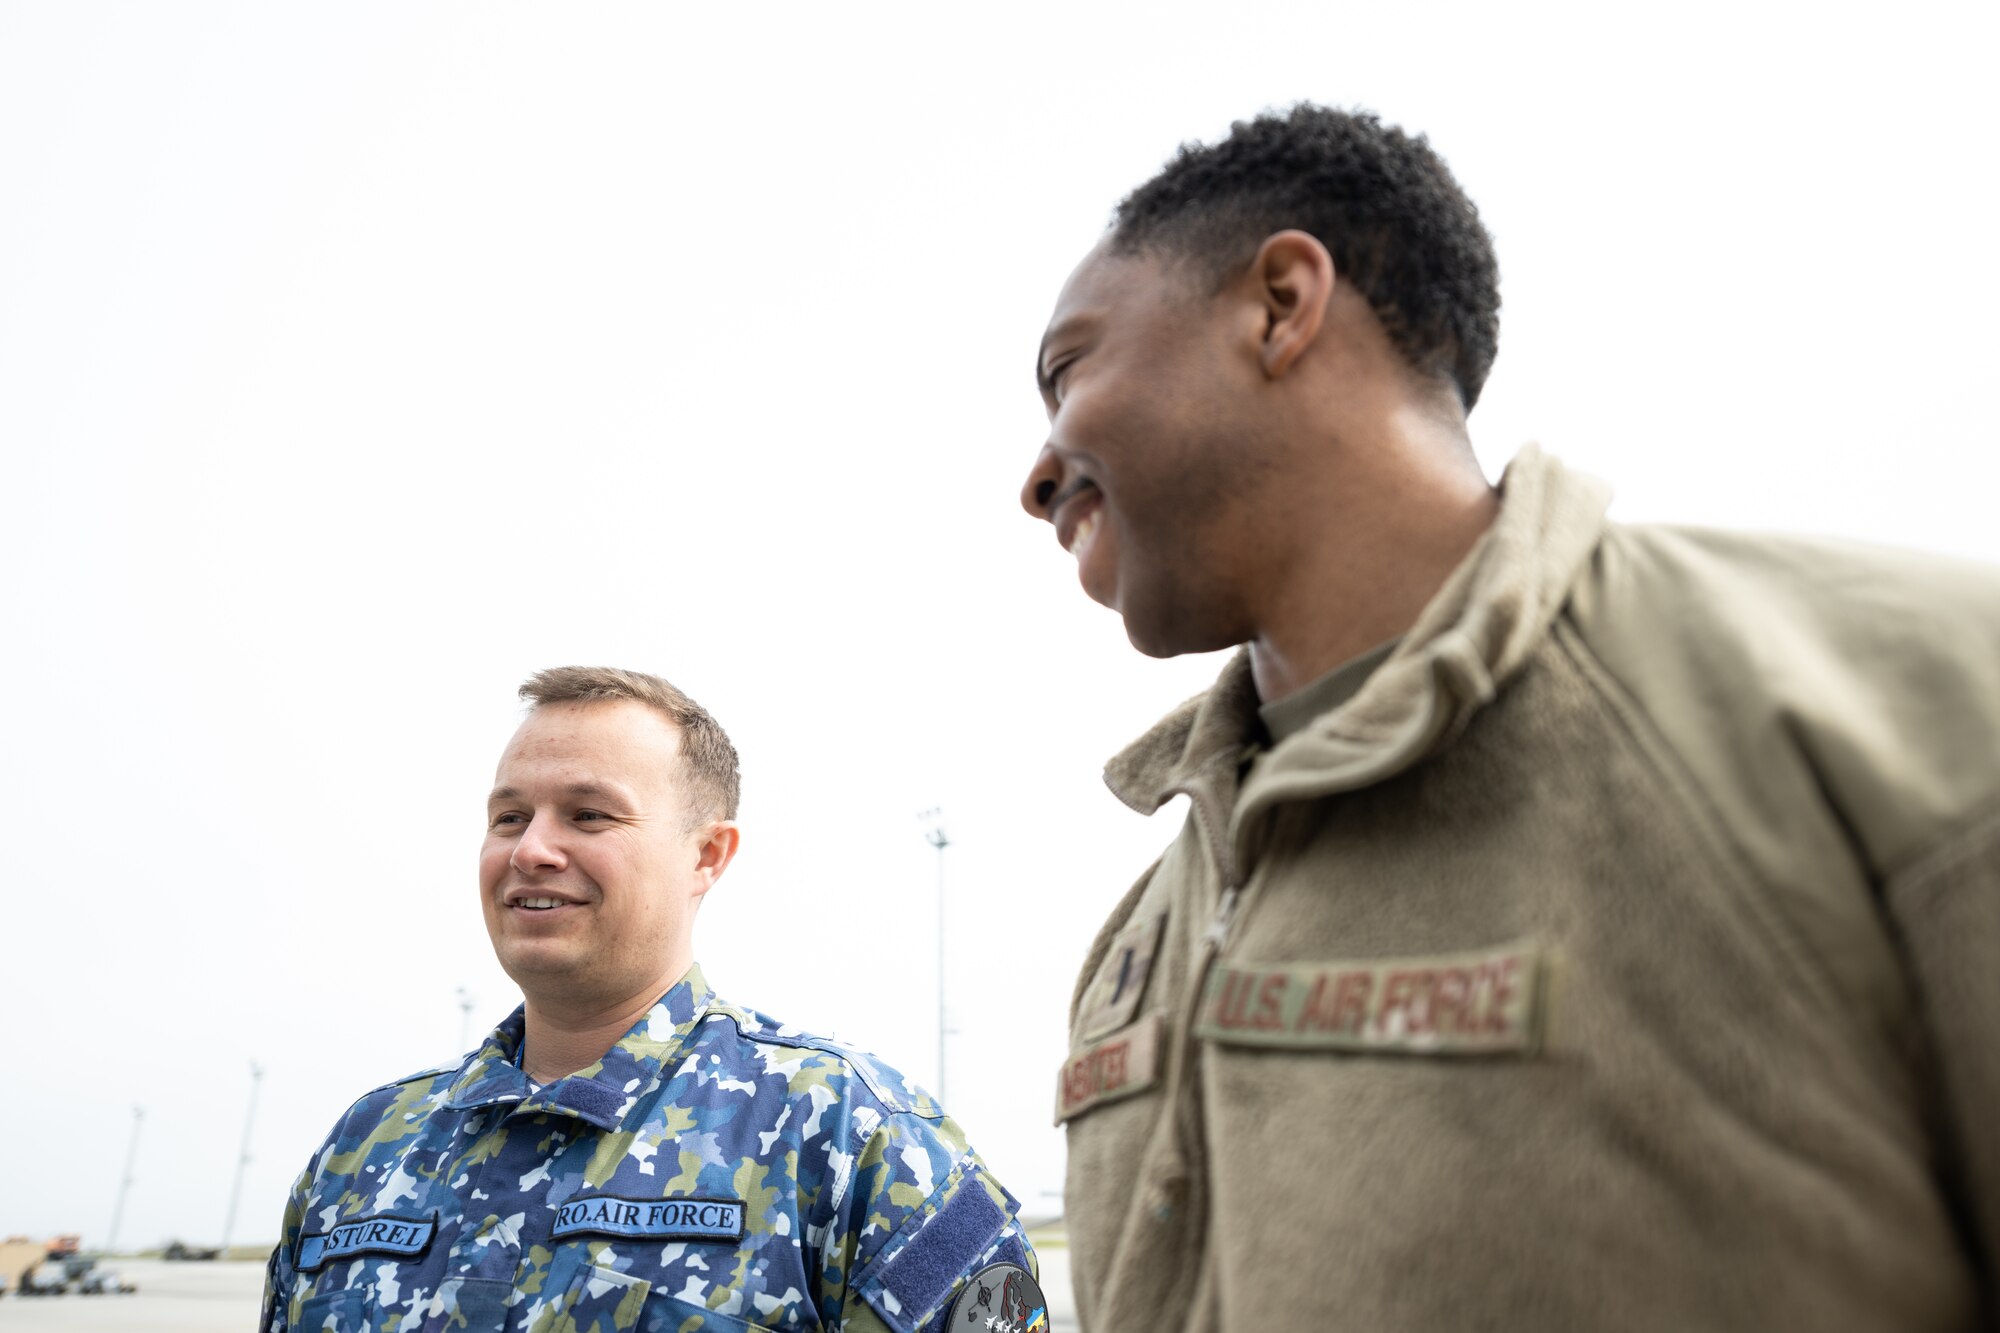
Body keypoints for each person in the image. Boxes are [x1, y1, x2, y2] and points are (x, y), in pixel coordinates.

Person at [1020, 104, 1999, 1330]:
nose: (1037, 472)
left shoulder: (1896, 707)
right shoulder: (1144, 928)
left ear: (1279, 303)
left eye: (1066, 373)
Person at [260, 667, 1041, 1333]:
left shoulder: (849, 1134)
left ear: (706, 854)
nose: (531, 848)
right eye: (509, 816)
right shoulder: (364, 1146)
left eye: (588, 814)